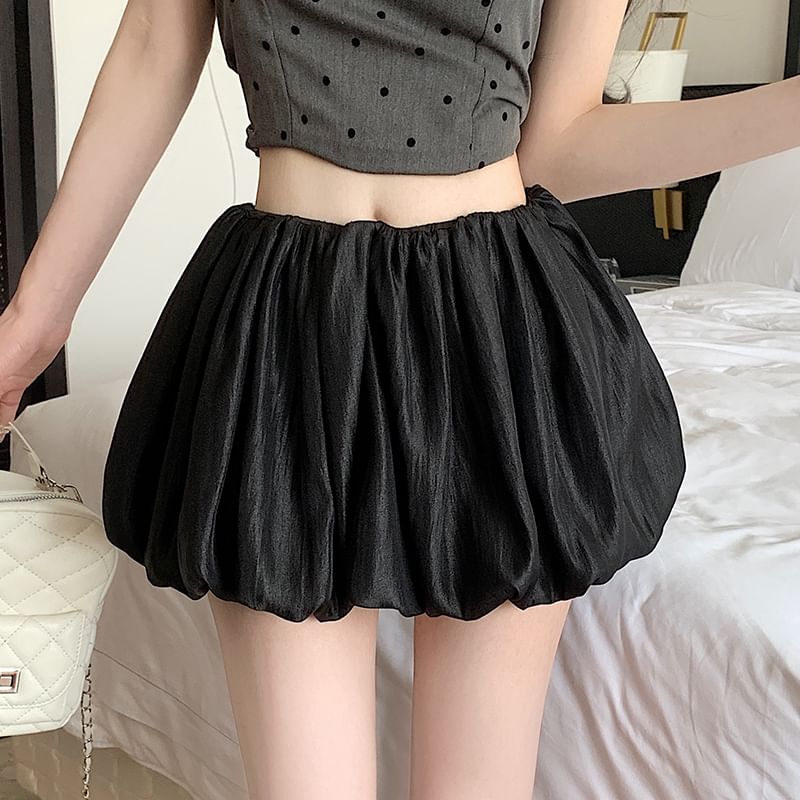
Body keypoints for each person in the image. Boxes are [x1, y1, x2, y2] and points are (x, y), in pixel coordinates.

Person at [0, 1, 798, 798]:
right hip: (289, 329)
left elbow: (559, 142)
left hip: (493, 335)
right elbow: (154, 43)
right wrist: (32, 326)